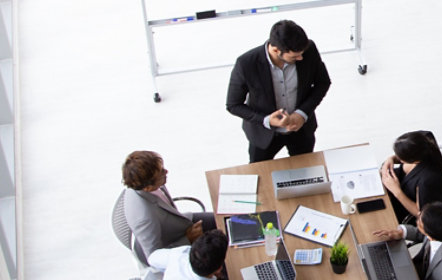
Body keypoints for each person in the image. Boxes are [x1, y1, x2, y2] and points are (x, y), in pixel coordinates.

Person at [226, 19, 332, 163]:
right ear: (276, 50)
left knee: (306, 171)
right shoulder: (246, 64)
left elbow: (322, 83)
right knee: (261, 173)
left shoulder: (308, 49)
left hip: (301, 130)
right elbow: (233, 105)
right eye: (294, 56)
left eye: (301, 54)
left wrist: (301, 114)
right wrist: (266, 120)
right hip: (264, 135)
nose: (301, 58)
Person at [120, 151, 217, 266]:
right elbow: (154, 257)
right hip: (173, 244)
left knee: (226, 219)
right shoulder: (144, 218)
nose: (166, 172)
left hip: (177, 223)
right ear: (147, 187)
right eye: (161, 172)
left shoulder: (143, 180)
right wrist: (187, 239)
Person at [380, 131, 442, 222]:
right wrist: (391, 159)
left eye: (401, 157)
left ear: (414, 160)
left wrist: (396, 191)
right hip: (397, 193)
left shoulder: (428, 180)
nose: (398, 159)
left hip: (409, 217)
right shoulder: (425, 140)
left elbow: (422, 214)